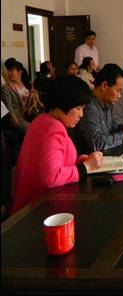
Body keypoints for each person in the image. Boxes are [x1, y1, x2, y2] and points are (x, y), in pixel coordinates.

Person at [11, 76, 103, 215]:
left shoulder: (41, 120)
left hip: (28, 206)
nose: (81, 114)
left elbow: (46, 162)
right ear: (64, 104)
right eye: (78, 108)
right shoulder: (54, 128)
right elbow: (51, 176)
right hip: (38, 210)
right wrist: (85, 168)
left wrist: (78, 163)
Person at [77, 64, 123, 154]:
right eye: (118, 90)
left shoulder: (107, 102)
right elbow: (97, 144)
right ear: (104, 85)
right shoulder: (89, 107)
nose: (119, 96)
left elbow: (112, 127)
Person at [1, 60, 30, 133]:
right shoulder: (7, 87)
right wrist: (15, 119)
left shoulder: (25, 82)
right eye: (8, 70)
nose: (9, 73)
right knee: (31, 129)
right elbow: (9, 106)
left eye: (11, 70)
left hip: (28, 112)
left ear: (20, 72)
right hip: (17, 116)